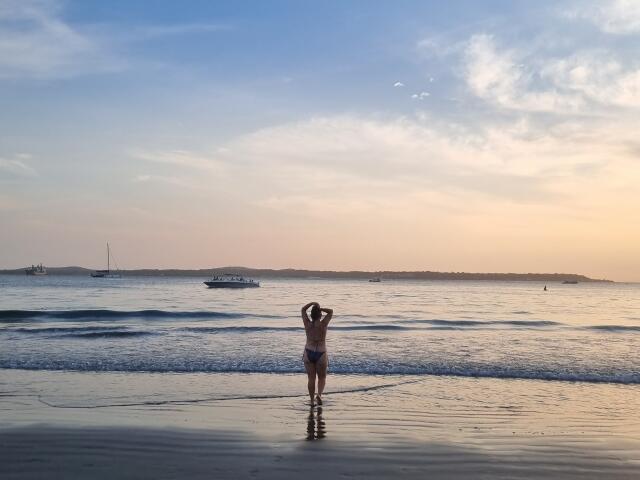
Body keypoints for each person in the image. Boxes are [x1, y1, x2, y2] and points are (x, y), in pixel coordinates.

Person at [301, 301, 333, 406]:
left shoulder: (307, 324)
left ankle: (311, 401)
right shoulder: (324, 324)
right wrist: (321, 308)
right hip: (321, 353)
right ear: (320, 314)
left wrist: (312, 303)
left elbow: (303, 309)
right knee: (322, 377)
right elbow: (331, 311)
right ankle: (319, 395)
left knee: (311, 378)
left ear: (311, 315)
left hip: (308, 352)